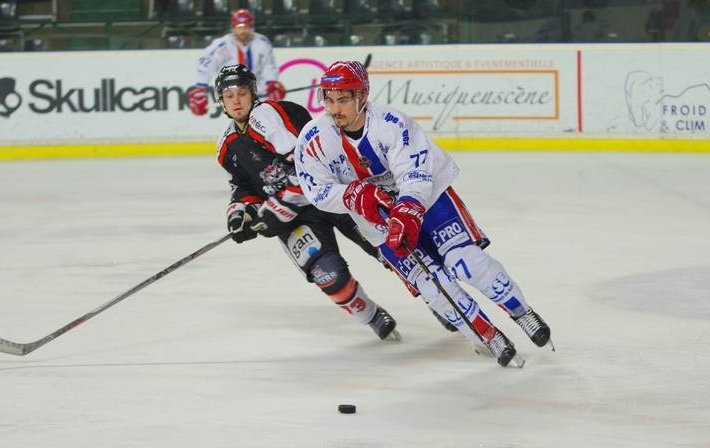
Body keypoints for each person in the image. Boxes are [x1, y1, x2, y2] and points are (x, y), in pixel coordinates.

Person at [294, 61, 553, 368]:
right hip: (377, 222)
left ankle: (522, 312)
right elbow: (317, 191)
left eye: (344, 99)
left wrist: (408, 207)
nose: (335, 108)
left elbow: (414, 171)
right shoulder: (313, 139)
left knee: (466, 262)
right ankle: (487, 335)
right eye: (329, 99)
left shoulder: (391, 123)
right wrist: (352, 194)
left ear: (362, 96)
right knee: (432, 284)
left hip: (428, 201)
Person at [213, 64, 442, 342]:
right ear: (221, 101)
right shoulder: (226, 146)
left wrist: (273, 212)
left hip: (334, 191)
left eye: (242, 93)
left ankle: (437, 300)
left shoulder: (268, 116)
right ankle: (370, 314)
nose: (236, 101)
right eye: (229, 95)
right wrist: (240, 213)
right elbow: (243, 187)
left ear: (253, 93)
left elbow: (304, 170)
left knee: (387, 248)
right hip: (296, 217)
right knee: (326, 273)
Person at [188, 9, 286, 117]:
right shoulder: (221, 46)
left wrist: (272, 83)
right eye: (239, 27)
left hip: (258, 94)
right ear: (233, 28)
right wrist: (200, 89)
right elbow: (206, 65)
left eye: (246, 27)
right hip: (233, 96)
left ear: (251, 27)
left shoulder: (262, 43)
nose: (243, 31)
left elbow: (268, 66)